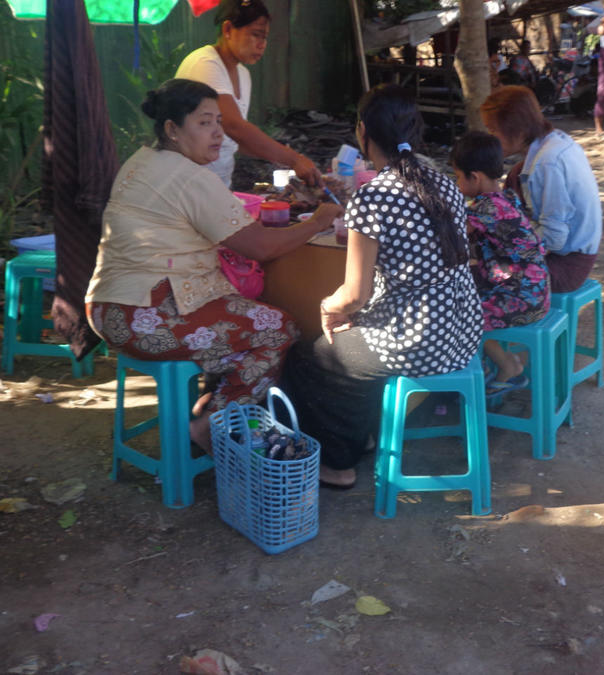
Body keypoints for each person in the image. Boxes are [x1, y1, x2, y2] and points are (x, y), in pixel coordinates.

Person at [85, 79, 342, 452]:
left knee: (245, 330)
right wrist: (319, 221)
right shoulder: (188, 177)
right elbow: (259, 247)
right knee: (279, 328)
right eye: (205, 123)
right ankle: (210, 425)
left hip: (109, 307)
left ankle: (215, 413)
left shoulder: (144, 160)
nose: (219, 134)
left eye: (220, 122)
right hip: (144, 315)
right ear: (172, 129)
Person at [278, 85, 482, 489]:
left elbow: (355, 295)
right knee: (350, 345)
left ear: (362, 133)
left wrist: (327, 306)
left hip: (418, 341)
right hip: (464, 331)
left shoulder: (373, 198)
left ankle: (337, 463)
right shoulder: (441, 182)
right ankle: (365, 436)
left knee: (314, 356)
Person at [174, 0, 320, 188]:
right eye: (255, 35)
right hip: (187, 186)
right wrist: (294, 159)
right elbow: (234, 127)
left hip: (218, 187)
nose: (262, 45)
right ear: (228, 30)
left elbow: (236, 140)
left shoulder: (243, 75)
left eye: (265, 37)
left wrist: (283, 159)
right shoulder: (205, 63)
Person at [450, 131, 550, 398]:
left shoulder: (484, 210)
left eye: (459, 177)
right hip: (535, 289)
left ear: (476, 177)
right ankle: (496, 365)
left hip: (521, 296)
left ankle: (502, 368)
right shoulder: (507, 198)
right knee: (467, 295)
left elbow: (451, 239)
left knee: (462, 316)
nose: (457, 185)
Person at [480, 85, 603, 293]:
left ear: (516, 130)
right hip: (567, 256)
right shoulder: (556, 140)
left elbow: (554, 239)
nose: (492, 138)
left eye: (494, 130)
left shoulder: (546, 163)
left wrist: (508, 232)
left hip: (565, 266)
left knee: (478, 274)